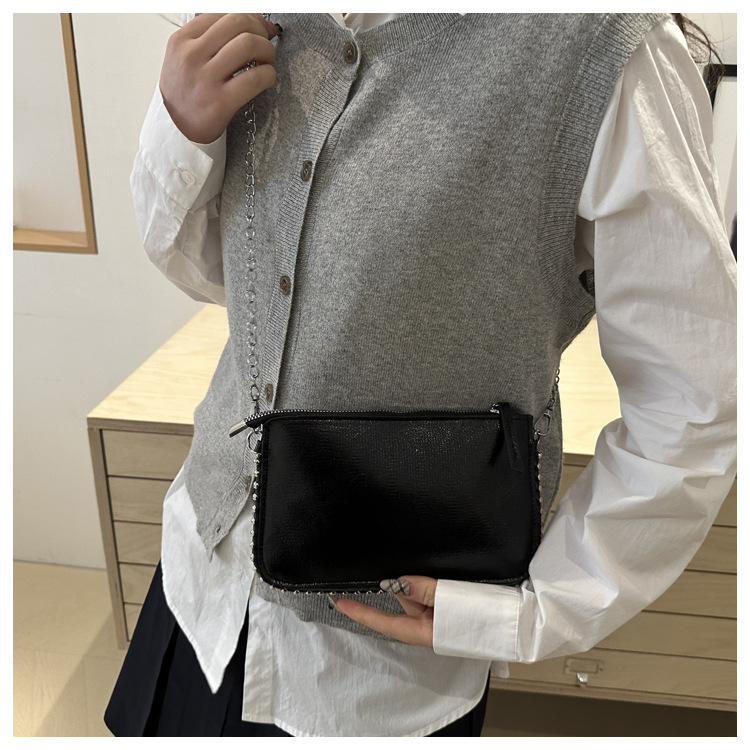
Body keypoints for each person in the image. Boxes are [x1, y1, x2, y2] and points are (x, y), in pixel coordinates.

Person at [105, 13, 737, 737]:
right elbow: (225, 279)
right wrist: (183, 131)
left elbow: (700, 397)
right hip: (202, 577)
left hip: (373, 668)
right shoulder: (270, 18)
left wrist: (544, 607)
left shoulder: (598, 47)